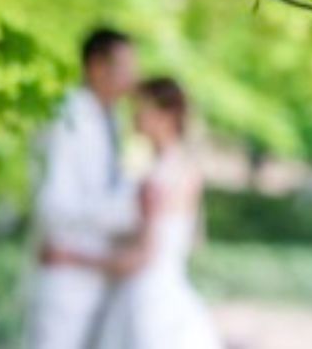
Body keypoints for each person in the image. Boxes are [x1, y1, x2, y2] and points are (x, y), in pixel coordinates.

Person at [44, 78, 222, 349]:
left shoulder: (164, 179)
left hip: (149, 306)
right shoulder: (164, 171)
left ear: (166, 115)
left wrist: (71, 257)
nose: (135, 116)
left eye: (142, 108)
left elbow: (143, 256)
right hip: (152, 295)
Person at [28, 29, 140, 349]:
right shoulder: (66, 116)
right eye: (125, 68)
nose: (133, 79)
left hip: (101, 278)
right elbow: (53, 204)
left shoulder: (112, 119)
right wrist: (128, 213)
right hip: (64, 280)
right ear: (96, 67)